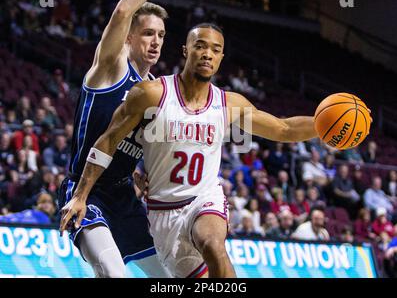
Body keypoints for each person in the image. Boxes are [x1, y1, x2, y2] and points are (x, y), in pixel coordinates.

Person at [60, 23, 319, 278]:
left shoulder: (229, 104)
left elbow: (283, 129)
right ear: (186, 50)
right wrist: (81, 195)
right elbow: (108, 141)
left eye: (215, 50)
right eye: (200, 46)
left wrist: (324, 127)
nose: (208, 53)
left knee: (213, 245)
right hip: (163, 213)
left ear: (221, 58)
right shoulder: (151, 94)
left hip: (203, 199)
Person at [57, 0, 170, 278]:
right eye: (147, 33)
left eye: (161, 34)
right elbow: (122, 11)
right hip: (85, 191)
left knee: (169, 276)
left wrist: (142, 173)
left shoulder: (154, 92)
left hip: (124, 199)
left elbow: (132, 145)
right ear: (129, 38)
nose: (156, 41)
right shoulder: (111, 68)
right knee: (112, 271)